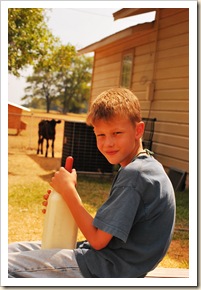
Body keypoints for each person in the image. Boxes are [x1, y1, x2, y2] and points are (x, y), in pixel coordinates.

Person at [8, 87, 176, 278]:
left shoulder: (135, 175)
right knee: (11, 250)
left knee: (6, 267)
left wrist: (70, 192)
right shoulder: (144, 167)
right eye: (100, 135)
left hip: (107, 269)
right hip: (105, 260)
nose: (108, 143)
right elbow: (103, 232)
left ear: (138, 130)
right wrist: (63, 202)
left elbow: (97, 240)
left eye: (117, 133)